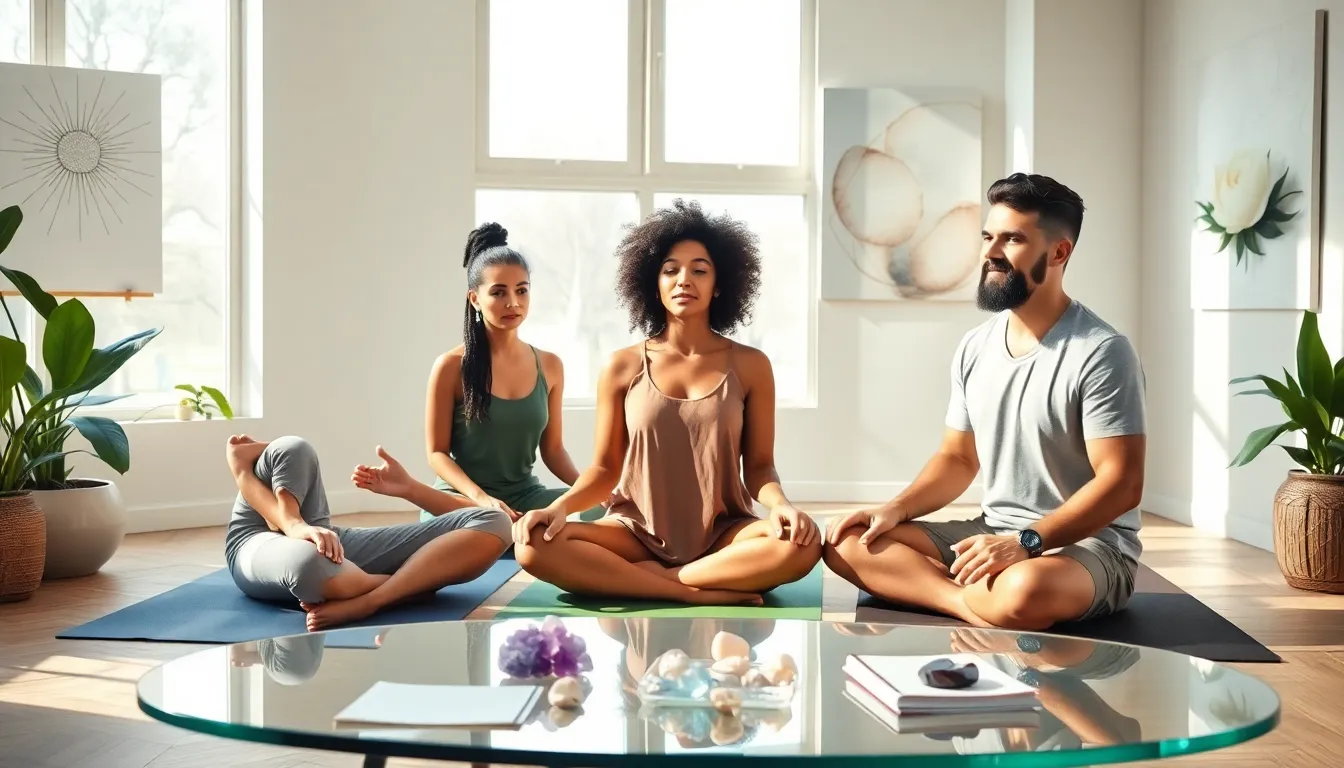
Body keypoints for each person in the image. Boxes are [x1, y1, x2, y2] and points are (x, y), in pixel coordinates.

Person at [824, 173, 1147, 631]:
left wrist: (1027, 542)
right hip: (991, 532)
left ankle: (952, 591)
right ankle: (965, 602)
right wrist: (894, 509)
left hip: (1086, 548)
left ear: (1059, 253)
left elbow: (1121, 484)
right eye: (988, 236)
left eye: (1012, 239)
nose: (991, 253)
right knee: (848, 540)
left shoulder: (1101, 350)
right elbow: (956, 458)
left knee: (1024, 590)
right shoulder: (975, 346)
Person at [511, 199, 822, 605]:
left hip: (725, 533)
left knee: (803, 543)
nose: (684, 280)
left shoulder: (751, 366)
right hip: (635, 532)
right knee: (533, 543)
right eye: (670, 270)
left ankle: (660, 581)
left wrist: (782, 506)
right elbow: (605, 469)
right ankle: (698, 593)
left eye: (699, 270)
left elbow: (760, 468)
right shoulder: (622, 366)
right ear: (652, 283)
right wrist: (561, 508)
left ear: (719, 284)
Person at [421, 222, 600, 541]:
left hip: (525, 499)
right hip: (463, 503)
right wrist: (482, 500)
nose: (513, 303)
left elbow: (554, 450)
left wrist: (591, 491)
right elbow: (436, 453)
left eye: (521, 290)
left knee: (612, 511)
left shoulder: (550, 365)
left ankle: (517, 535)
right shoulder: (450, 367)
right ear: (475, 299)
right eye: (499, 292)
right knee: (488, 529)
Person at [223, 434, 511, 631]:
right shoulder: (267, 469)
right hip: (259, 544)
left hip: (319, 537)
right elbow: (295, 537)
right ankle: (407, 588)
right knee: (308, 564)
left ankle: (372, 600)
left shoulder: (280, 455)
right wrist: (293, 524)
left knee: (497, 522)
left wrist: (240, 470)